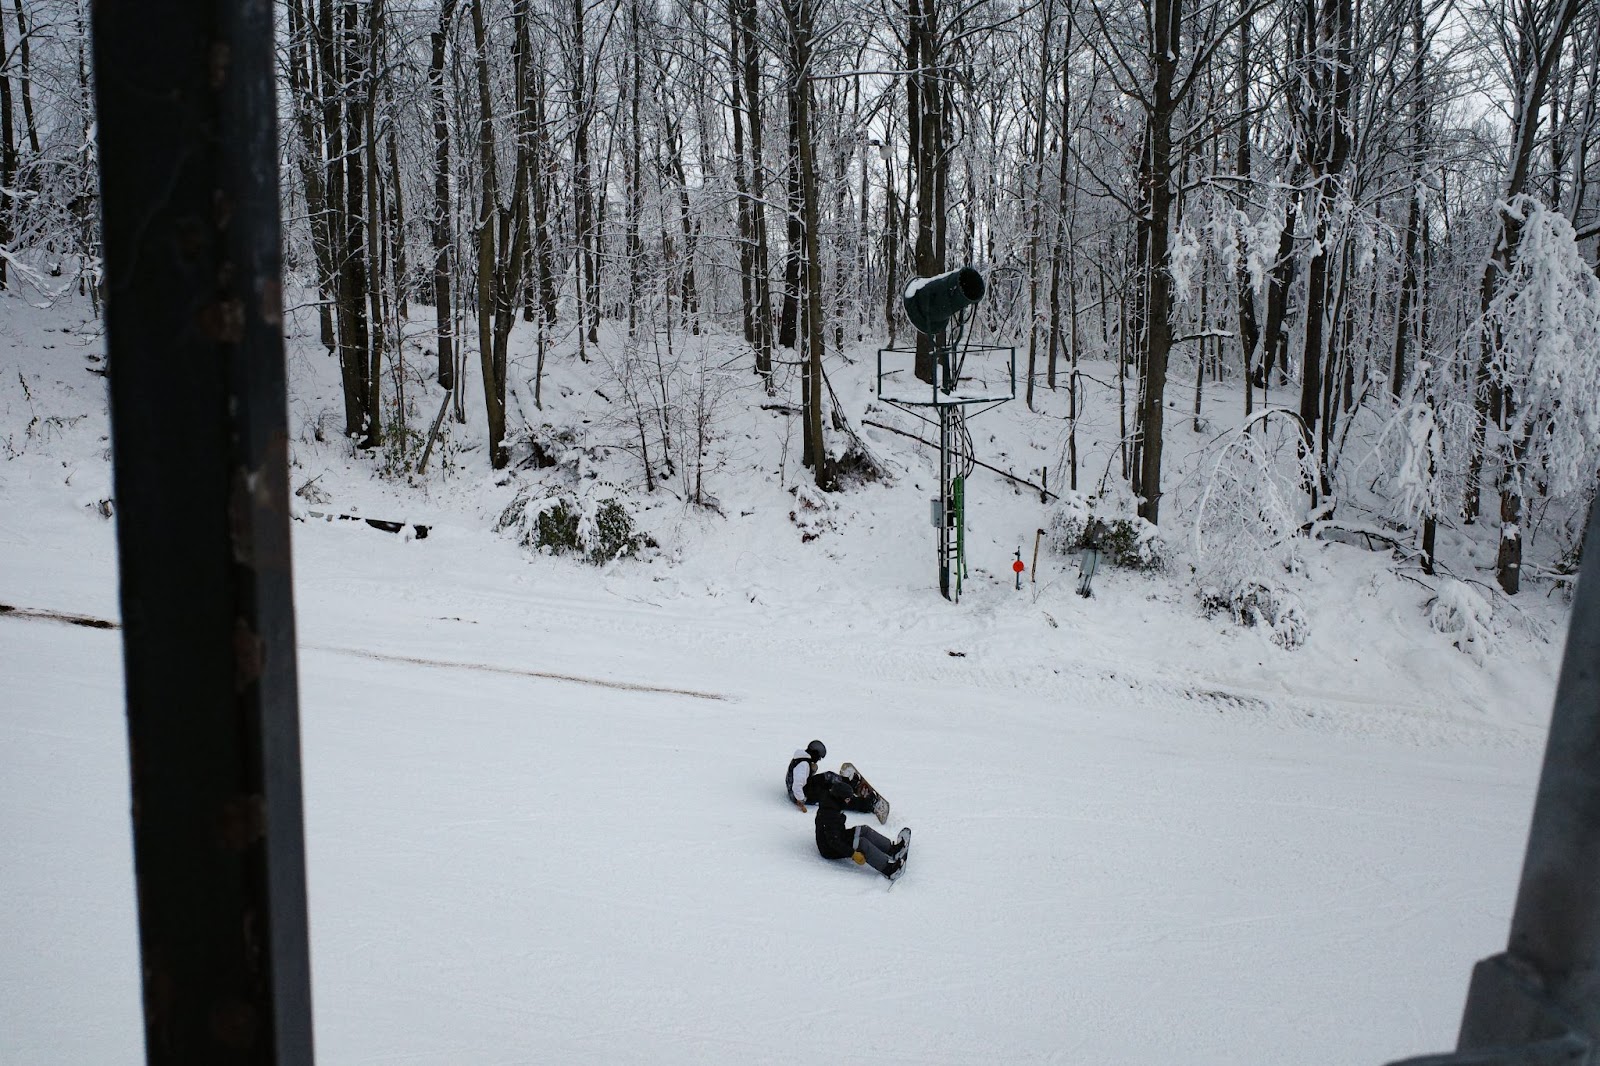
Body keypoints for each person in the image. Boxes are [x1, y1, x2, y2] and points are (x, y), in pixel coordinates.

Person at [813, 773, 911, 881]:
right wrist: (853, 854)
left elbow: (852, 803)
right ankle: (889, 870)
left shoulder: (833, 801)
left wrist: (867, 803)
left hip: (837, 835)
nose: (848, 801)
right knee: (862, 844)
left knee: (864, 830)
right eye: (847, 799)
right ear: (840, 798)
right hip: (829, 848)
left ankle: (892, 850)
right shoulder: (830, 814)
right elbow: (833, 841)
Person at [785, 739, 879, 815]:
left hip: (805, 787)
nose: (819, 760)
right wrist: (801, 800)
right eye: (819, 757)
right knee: (834, 796)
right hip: (801, 795)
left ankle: (849, 784)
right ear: (814, 753)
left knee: (828, 776)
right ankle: (866, 805)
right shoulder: (803, 765)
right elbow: (797, 786)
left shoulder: (803, 758)